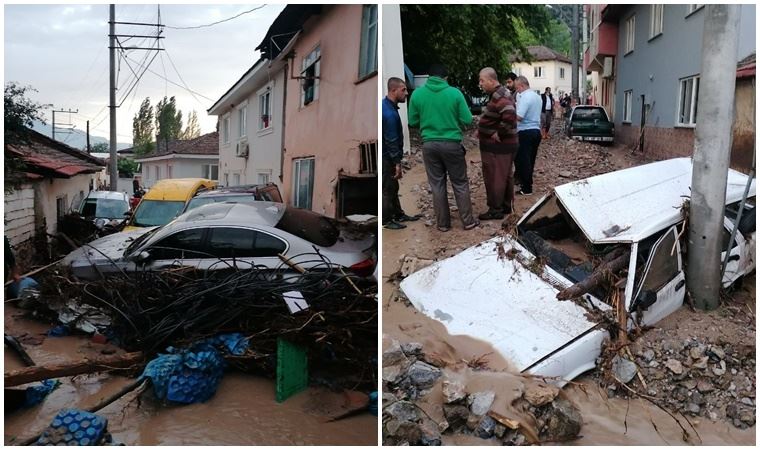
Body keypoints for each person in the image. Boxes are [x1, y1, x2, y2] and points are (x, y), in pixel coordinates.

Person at [408, 63, 478, 232]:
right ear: (445, 78)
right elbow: (468, 119)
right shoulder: (454, 93)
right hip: (452, 144)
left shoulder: (417, 94)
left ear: (428, 77)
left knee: (437, 185)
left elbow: (412, 121)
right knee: (460, 183)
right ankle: (468, 222)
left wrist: (428, 122)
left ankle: (443, 224)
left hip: (429, 145)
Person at [476, 67, 518, 220]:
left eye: (482, 80)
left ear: (491, 80)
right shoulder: (499, 93)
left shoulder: (500, 94)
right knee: (505, 176)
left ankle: (495, 209)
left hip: (498, 147)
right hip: (504, 146)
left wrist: (499, 133)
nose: (480, 84)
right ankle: (506, 206)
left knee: (494, 177)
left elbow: (509, 115)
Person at [382, 77, 420, 230]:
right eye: (403, 90)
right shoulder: (389, 114)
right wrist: (397, 162)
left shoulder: (388, 107)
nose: (406, 93)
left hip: (388, 156)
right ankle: (386, 219)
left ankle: (398, 214)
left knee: (393, 186)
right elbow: (391, 139)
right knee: (387, 188)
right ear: (393, 90)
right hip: (387, 157)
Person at [514, 76, 542, 196]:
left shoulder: (525, 97)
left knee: (523, 160)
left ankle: (526, 188)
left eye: (517, 88)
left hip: (525, 131)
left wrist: (508, 116)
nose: (517, 91)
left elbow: (520, 116)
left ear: (521, 85)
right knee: (531, 159)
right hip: (536, 131)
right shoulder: (537, 96)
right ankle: (527, 183)